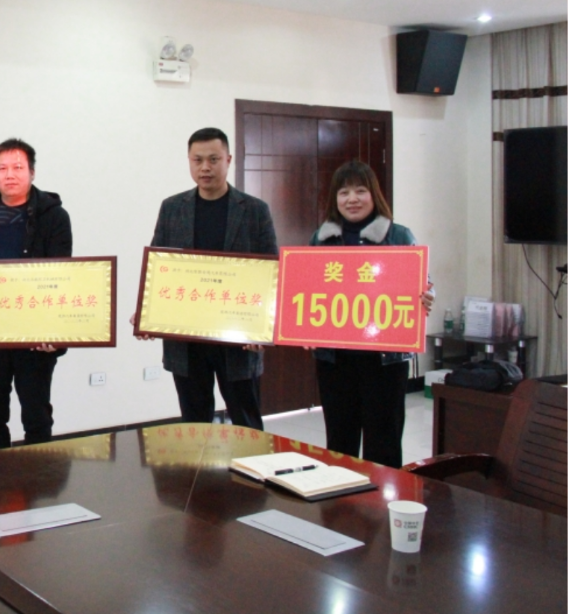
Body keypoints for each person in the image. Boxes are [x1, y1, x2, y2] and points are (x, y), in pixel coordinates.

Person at [146, 127, 278, 430]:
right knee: (194, 424)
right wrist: (149, 312)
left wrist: (265, 327)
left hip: (239, 337)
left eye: (213, 159)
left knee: (247, 423)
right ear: (189, 162)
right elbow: (159, 265)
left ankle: (253, 463)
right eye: (198, 160)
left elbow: (272, 273)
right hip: (187, 337)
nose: (205, 167)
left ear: (228, 160)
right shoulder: (172, 208)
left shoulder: (255, 210)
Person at [309, 160, 433, 468]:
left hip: (385, 360)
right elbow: (308, 291)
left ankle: (384, 496)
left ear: (374, 195)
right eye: (344, 192)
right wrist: (304, 326)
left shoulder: (399, 236)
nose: (352, 199)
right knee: (340, 440)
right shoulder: (320, 240)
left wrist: (427, 297)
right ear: (335, 199)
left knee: (384, 439)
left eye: (360, 191)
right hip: (335, 359)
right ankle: (341, 496)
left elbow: (423, 283)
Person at [0, 138, 72, 450]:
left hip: (35, 333)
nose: (10, 174)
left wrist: (55, 333)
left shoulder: (53, 215)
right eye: (2, 168)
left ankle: (39, 479)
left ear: (32, 172)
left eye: (18, 167)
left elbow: (63, 274)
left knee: (36, 415)